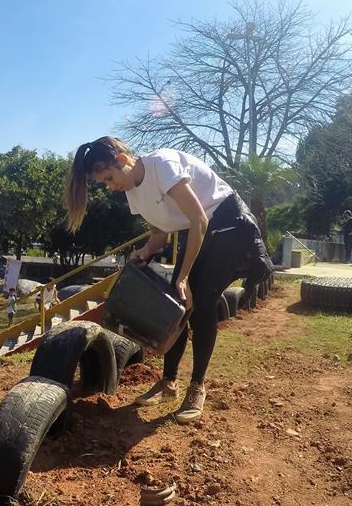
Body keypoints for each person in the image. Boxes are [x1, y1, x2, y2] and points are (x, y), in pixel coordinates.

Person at [65, 137, 272, 424]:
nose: (110, 187)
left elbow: (199, 219)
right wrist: (146, 250)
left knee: (199, 305)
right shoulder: (132, 192)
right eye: (104, 183)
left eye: (109, 178)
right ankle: (168, 383)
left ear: (122, 160)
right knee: (174, 304)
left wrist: (184, 276)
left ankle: (197, 387)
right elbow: (160, 234)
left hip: (229, 225)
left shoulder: (162, 164)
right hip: (199, 231)